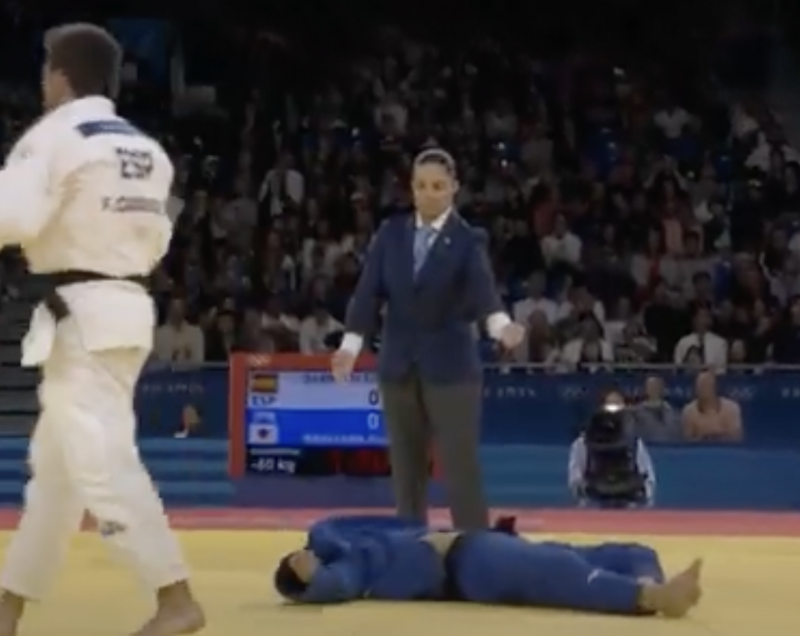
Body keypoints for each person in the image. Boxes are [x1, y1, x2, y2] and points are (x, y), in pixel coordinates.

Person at [0, 24, 204, 636]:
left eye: (46, 71)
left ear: (60, 75)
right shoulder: (149, 152)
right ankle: (7, 607)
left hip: (83, 315)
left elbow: (13, 218)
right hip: (125, 306)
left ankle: (174, 595)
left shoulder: (55, 135)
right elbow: (160, 237)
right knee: (57, 476)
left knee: (100, 459)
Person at [331, 148, 525, 529]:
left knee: (460, 469)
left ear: (454, 188)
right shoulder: (391, 234)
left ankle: (475, 549)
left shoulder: (468, 240)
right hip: (398, 367)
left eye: (438, 186)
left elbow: (483, 292)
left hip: (451, 370)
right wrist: (349, 347)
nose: (429, 194)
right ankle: (410, 548)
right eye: (421, 186)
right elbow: (368, 293)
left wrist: (501, 327)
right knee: (406, 471)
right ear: (412, 189)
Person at [273, 514, 703, 617]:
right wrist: (313, 582)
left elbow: (324, 528)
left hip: (479, 544)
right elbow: (334, 585)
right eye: (300, 565)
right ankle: (647, 596)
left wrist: (318, 544)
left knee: (630, 552)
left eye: (298, 555)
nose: (304, 556)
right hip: (469, 564)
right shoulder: (352, 569)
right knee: (558, 570)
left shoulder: (348, 542)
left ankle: (649, 583)